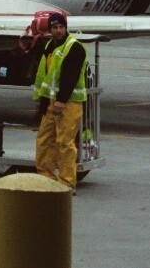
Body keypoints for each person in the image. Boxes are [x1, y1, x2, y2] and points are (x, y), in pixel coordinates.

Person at [33, 11, 88, 189]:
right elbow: (45, 76)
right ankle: (45, 177)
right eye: (55, 27)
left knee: (65, 143)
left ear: (65, 28)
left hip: (69, 103)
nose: (58, 31)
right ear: (50, 29)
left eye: (61, 27)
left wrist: (62, 100)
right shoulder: (49, 46)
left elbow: (70, 76)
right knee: (44, 140)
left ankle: (66, 182)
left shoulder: (74, 47)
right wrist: (41, 101)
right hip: (50, 102)